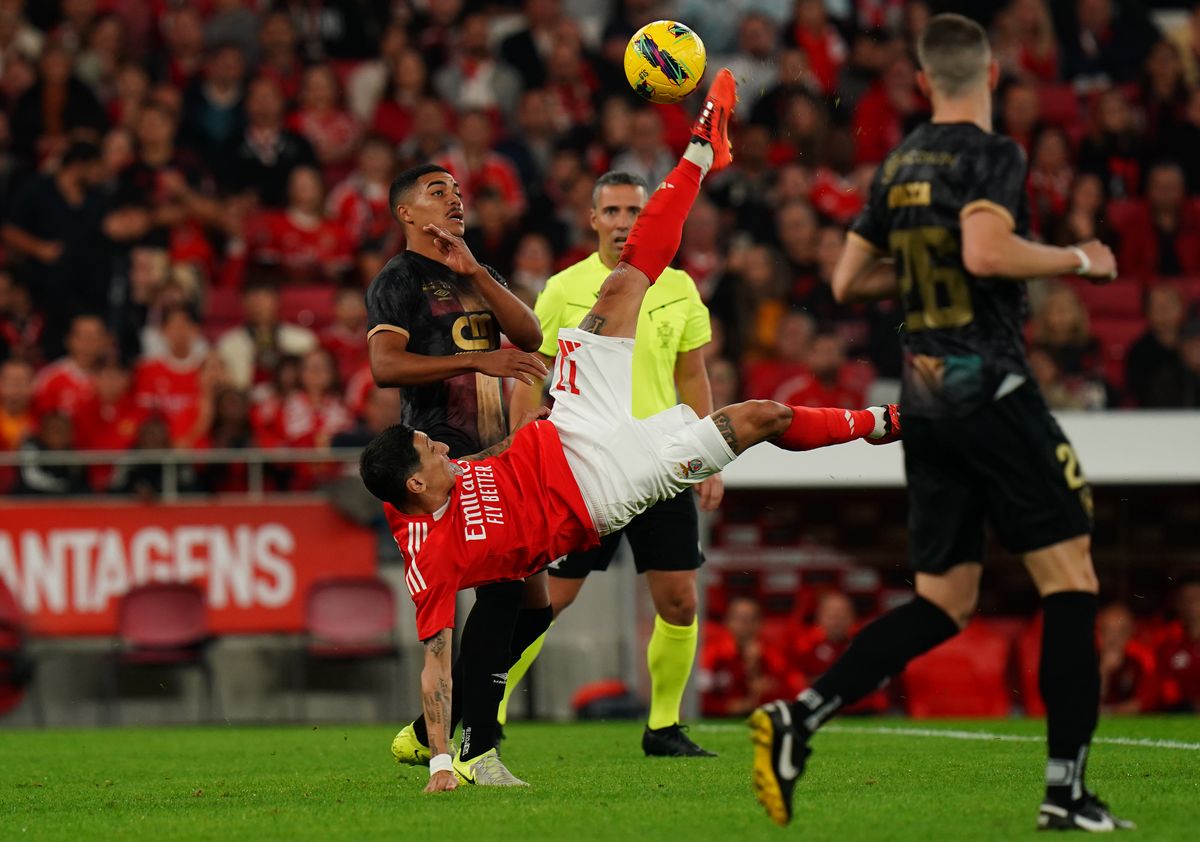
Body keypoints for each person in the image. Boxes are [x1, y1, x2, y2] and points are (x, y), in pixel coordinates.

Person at [360, 70, 899, 794]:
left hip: (570, 422)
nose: (455, 197)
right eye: (436, 190)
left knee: (624, 283)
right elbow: (431, 649)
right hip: (608, 483)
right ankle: (887, 422)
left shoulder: (447, 466)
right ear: (420, 480)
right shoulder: (434, 547)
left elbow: (522, 357)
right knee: (757, 419)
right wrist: (433, 769)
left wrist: (482, 290)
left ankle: (703, 151)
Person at [748, 15, 1131, 832]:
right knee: (1071, 582)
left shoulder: (898, 164)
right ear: (991, 75)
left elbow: (848, 281)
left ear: (922, 82)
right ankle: (1065, 793)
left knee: (944, 601)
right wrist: (1078, 259)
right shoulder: (993, 155)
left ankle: (800, 716)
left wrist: (925, 277)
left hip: (921, 405)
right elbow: (989, 253)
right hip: (990, 391)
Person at [499, 170, 722, 758]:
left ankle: (664, 727)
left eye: (635, 212)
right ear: (593, 219)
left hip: (664, 465)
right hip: (586, 465)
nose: (624, 222)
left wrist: (711, 457)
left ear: (650, 222)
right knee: (549, 600)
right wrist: (522, 441)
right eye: (613, 211)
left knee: (679, 601)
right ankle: (483, 712)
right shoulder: (564, 288)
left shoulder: (681, 289)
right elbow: (530, 370)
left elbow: (691, 374)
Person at [365, 159, 549, 788]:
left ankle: (424, 735)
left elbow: (529, 333)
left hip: (502, 450)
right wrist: (475, 363)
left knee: (535, 607)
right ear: (406, 214)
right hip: (445, 452)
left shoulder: (475, 271)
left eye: (458, 192)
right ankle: (477, 749)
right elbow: (385, 367)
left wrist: (478, 274)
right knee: (501, 587)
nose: (454, 200)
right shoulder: (397, 280)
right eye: (436, 192)